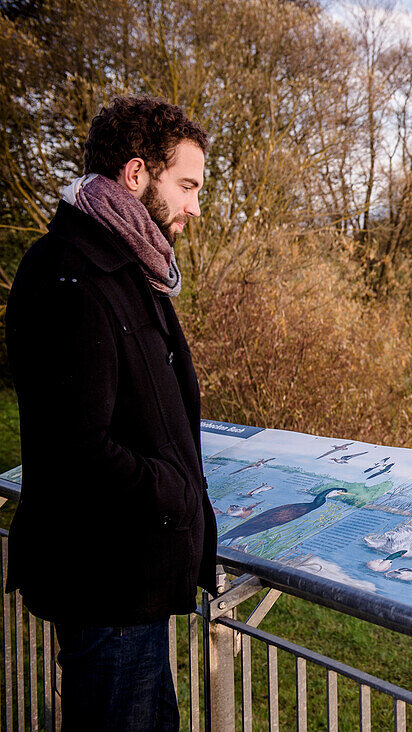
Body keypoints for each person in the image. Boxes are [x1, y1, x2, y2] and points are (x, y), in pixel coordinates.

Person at [5, 95, 217, 730]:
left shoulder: (122, 267)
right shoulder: (74, 275)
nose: (194, 207)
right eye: (186, 185)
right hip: (108, 586)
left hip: (128, 583)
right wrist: (175, 494)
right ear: (135, 174)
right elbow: (76, 449)